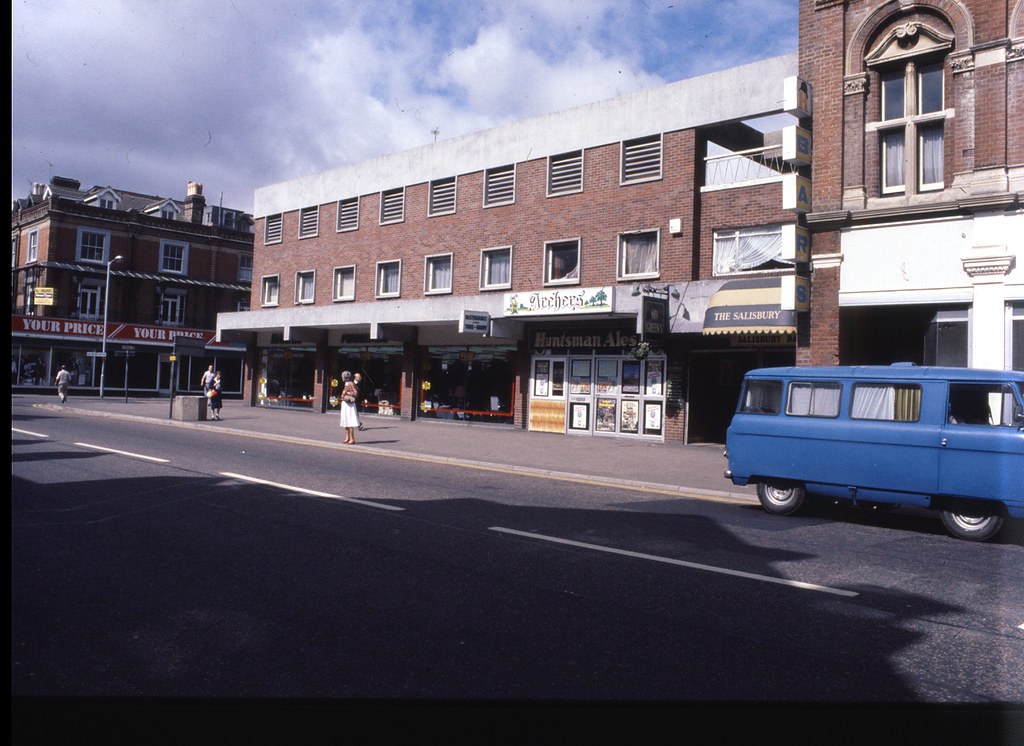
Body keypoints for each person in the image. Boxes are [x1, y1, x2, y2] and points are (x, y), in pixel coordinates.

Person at [339, 370, 359, 444]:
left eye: (343, 376)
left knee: (350, 421)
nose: (343, 377)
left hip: (350, 405)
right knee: (345, 421)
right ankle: (347, 438)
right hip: (345, 403)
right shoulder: (346, 383)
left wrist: (346, 392)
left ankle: (352, 439)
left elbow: (355, 393)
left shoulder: (351, 383)